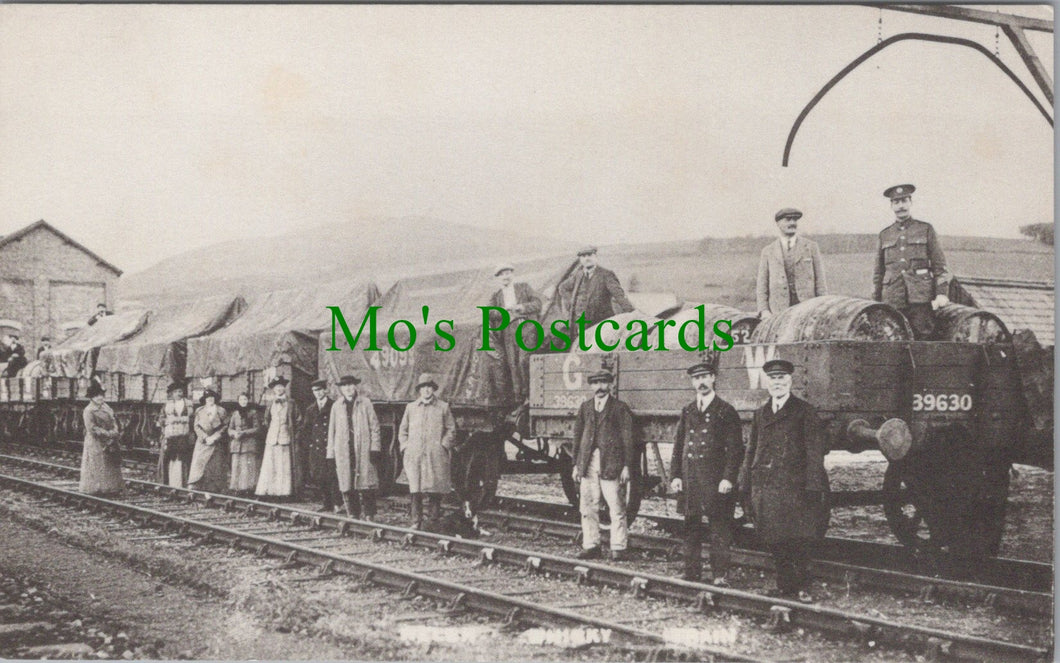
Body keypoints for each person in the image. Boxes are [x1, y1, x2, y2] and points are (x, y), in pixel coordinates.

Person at [738, 359, 828, 603]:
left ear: (790, 381)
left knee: (799, 539)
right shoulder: (761, 413)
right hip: (767, 486)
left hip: (795, 487)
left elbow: (814, 452)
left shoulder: (804, 411)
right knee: (775, 538)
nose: (777, 383)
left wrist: (813, 485)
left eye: (782, 378)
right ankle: (785, 586)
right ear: (767, 382)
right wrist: (744, 480)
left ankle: (803, 587)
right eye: (773, 379)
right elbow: (751, 449)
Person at [669, 360, 744, 584]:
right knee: (691, 527)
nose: (701, 382)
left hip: (716, 481)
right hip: (691, 479)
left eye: (705, 377)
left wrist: (728, 478)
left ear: (713, 379)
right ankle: (692, 572)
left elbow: (735, 450)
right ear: (693, 382)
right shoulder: (688, 410)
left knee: (719, 528)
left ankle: (720, 574)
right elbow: (679, 445)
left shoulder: (726, 411)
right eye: (696, 378)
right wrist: (675, 475)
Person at [872, 184, 951, 340]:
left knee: (923, 339)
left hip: (921, 299)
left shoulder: (925, 229)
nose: (901, 206)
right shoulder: (884, 235)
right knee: (891, 340)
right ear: (891, 206)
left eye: (904, 201)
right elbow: (878, 273)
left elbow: (940, 266)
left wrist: (941, 293)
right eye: (896, 202)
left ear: (910, 203)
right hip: (892, 299)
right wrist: (876, 300)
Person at [571, 369, 633, 561]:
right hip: (588, 462)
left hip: (611, 463)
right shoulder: (585, 408)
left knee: (616, 505)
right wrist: (576, 464)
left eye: (603, 383)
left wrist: (626, 466)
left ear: (610, 385)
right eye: (595, 383)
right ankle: (591, 545)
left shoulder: (620, 408)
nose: (599, 387)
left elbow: (628, 439)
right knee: (587, 506)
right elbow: (577, 437)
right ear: (591, 386)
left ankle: (618, 547)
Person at [398, 373, 456, 529]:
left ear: (433, 389)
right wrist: (405, 446)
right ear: (419, 390)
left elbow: (451, 429)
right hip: (415, 455)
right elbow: (403, 430)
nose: (426, 390)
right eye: (423, 387)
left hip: (434, 455)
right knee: (415, 490)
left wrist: (443, 445)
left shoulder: (443, 407)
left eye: (429, 387)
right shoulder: (411, 408)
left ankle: (433, 521)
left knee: (434, 489)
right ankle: (416, 521)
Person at [328, 375, 382, 519]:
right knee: (348, 482)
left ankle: (370, 514)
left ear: (355, 387)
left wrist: (375, 447)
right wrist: (331, 454)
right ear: (341, 389)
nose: (348, 388)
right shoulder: (336, 406)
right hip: (344, 450)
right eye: (345, 386)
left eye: (351, 385)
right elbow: (331, 431)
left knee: (366, 483)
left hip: (363, 449)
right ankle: (353, 513)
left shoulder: (366, 403)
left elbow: (375, 427)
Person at [756, 208, 826, 319]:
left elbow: (820, 282)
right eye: (788, 220)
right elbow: (762, 285)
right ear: (778, 223)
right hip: (778, 312)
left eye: (795, 220)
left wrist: (822, 307)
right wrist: (764, 310)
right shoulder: (768, 251)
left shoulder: (811, 247)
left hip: (807, 310)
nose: (792, 223)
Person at [488, 264, 543, 402]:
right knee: (513, 365)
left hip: (526, 327)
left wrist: (522, 307)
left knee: (524, 360)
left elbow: (538, 303)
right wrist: (503, 312)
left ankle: (532, 396)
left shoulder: (524, 288)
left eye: (508, 273)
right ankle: (520, 399)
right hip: (508, 331)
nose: (505, 276)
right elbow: (489, 312)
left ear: (512, 275)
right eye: (502, 274)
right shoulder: (497, 296)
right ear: (498, 278)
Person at [557, 246, 635, 329]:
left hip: (600, 323)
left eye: (590, 255)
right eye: (583, 256)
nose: (587, 259)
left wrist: (632, 312)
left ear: (595, 257)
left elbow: (619, 295)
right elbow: (563, 287)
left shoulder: (606, 275)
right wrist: (571, 303)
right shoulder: (578, 275)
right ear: (580, 259)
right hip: (579, 323)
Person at [256, 376, 301, 500]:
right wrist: (270, 428)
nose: (279, 389)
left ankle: (284, 492)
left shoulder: (291, 403)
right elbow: (266, 419)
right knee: (270, 464)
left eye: (281, 386)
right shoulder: (270, 403)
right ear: (273, 390)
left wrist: (293, 432)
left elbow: (298, 419)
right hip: (272, 437)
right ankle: (269, 492)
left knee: (283, 465)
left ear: (284, 388)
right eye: (276, 387)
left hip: (285, 437)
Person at [79, 382, 123, 495]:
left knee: (109, 463)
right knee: (97, 464)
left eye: (101, 395)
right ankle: (96, 489)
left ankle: (112, 488)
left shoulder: (106, 407)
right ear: (92, 397)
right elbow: (92, 428)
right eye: (97, 396)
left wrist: (115, 431)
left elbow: (113, 420)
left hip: (110, 440)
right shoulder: (88, 410)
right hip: (96, 442)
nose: (100, 398)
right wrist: (108, 434)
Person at [302, 379, 339, 512]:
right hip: (316, 448)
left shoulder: (334, 406)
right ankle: (327, 503)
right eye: (314, 391)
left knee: (333, 475)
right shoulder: (311, 409)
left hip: (330, 446)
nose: (317, 393)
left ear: (325, 390)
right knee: (320, 476)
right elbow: (306, 429)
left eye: (319, 390)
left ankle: (337, 503)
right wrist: (309, 445)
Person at [188, 389, 228, 493]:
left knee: (215, 464)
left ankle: (214, 487)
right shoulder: (199, 411)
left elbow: (225, 426)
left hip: (215, 441)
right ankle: (196, 484)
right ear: (205, 400)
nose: (210, 399)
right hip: (203, 442)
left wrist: (215, 437)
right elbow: (196, 426)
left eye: (212, 397)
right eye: (208, 398)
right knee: (199, 463)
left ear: (215, 399)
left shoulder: (221, 410)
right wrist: (205, 437)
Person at [156, 381, 195, 488]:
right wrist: (167, 421)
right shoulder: (167, 405)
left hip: (184, 435)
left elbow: (193, 419)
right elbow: (161, 419)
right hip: (170, 436)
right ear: (172, 394)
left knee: (185, 459)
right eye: (176, 392)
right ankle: (167, 483)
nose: (179, 393)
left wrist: (184, 420)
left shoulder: (189, 405)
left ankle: (185, 483)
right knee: (168, 458)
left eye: (180, 391)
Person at [228, 393, 262, 496]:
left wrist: (244, 433)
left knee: (247, 467)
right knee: (236, 466)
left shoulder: (253, 413)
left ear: (248, 400)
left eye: (245, 399)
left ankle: (248, 488)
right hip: (237, 444)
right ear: (238, 401)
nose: (243, 401)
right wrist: (233, 433)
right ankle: (236, 488)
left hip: (248, 444)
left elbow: (257, 428)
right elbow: (230, 428)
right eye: (241, 400)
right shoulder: (235, 414)